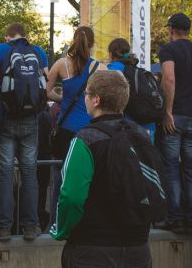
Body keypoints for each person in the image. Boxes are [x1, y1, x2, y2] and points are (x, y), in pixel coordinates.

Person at [50, 70, 157, 268]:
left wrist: (61, 231)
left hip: (92, 248)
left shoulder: (85, 139)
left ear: (96, 100)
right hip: (138, 247)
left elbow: (71, 196)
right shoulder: (141, 135)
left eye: (86, 94)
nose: (85, 98)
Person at [0, 23, 48, 242]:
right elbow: (45, 85)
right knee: (30, 174)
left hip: (5, 121)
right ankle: (31, 226)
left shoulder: (0, 51)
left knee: (5, 173)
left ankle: (3, 227)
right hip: (31, 121)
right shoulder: (38, 51)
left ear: (7, 37)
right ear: (25, 35)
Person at [157, 13, 192, 234]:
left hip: (175, 116)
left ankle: (176, 217)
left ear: (172, 30)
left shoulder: (168, 50)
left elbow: (169, 79)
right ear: (188, 30)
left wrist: (168, 111)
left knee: (170, 167)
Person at [46, 26, 105, 222]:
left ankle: (58, 221)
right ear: (92, 43)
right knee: (89, 178)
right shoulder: (99, 68)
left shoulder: (61, 64)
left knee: (60, 179)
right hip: (90, 132)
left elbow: (46, 92)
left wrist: (63, 99)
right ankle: (85, 221)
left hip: (65, 130)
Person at [107, 37, 156, 142]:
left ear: (111, 54)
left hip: (128, 125)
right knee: (148, 156)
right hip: (149, 126)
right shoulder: (136, 68)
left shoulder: (114, 68)